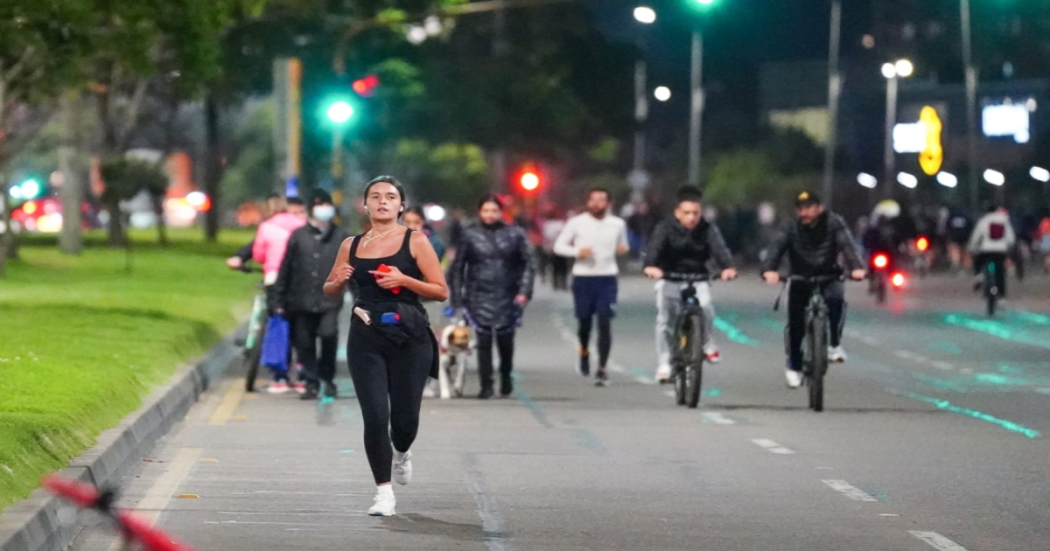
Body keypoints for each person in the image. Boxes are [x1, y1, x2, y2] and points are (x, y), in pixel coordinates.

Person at [323, 176, 447, 517]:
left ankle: (402, 452)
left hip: (410, 336)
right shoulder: (351, 244)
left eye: (390, 197)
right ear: (365, 205)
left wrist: (404, 280)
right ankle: (383, 493)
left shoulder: (415, 240)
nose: (382, 201)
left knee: (404, 422)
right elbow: (330, 289)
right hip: (366, 336)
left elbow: (440, 290)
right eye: (375, 196)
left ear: (401, 205)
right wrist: (338, 281)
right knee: (376, 416)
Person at [761, 192, 866, 389]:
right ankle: (794, 365)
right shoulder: (790, 226)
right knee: (795, 324)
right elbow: (776, 247)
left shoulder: (834, 222)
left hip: (829, 276)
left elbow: (847, 245)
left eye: (809, 208)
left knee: (836, 300)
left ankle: (834, 345)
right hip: (800, 277)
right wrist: (769, 269)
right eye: (801, 209)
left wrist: (857, 267)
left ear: (819, 208)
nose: (805, 213)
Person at [643, 186, 737, 383]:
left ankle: (707, 344)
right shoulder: (665, 227)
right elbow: (654, 249)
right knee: (666, 321)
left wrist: (727, 267)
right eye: (686, 213)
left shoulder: (707, 229)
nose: (691, 217)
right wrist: (651, 266)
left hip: (698, 277)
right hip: (670, 278)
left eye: (695, 213)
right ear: (677, 213)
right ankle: (665, 362)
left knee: (706, 308)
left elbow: (719, 249)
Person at [447, 194, 535, 399]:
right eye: (485, 211)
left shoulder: (515, 234)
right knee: (483, 340)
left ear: (501, 212)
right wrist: (457, 298)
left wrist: (524, 291)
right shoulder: (469, 235)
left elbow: (528, 264)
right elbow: (457, 268)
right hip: (478, 293)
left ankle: (506, 376)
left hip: (508, 293)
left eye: (494, 211)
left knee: (506, 339)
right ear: (479, 212)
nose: (489, 215)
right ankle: (486, 384)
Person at [273, 191, 351, 400]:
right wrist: (278, 299)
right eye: (319, 205)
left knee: (328, 334)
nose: (324, 209)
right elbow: (286, 269)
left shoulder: (342, 236)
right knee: (303, 343)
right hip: (300, 300)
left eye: (326, 204)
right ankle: (311, 380)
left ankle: (327, 378)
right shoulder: (298, 236)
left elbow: (352, 268)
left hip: (329, 299)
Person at [553, 188, 629, 387]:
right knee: (584, 322)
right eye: (593, 200)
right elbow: (558, 246)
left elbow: (623, 245)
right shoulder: (576, 223)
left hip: (607, 277)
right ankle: (584, 351)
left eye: (601, 200)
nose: (597, 203)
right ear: (587, 203)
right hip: (583, 277)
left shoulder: (617, 224)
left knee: (605, 321)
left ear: (608, 204)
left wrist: (622, 249)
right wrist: (578, 251)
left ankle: (602, 369)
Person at [968, 204, 1016, 297]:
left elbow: (976, 236)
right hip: (1000, 250)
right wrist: (1009, 246)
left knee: (979, 262)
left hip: (986, 250)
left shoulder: (983, 220)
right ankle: (1001, 295)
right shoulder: (1003, 220)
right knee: (1000, 273)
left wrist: (972, 247)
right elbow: (1010, 237)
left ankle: (979, 276)